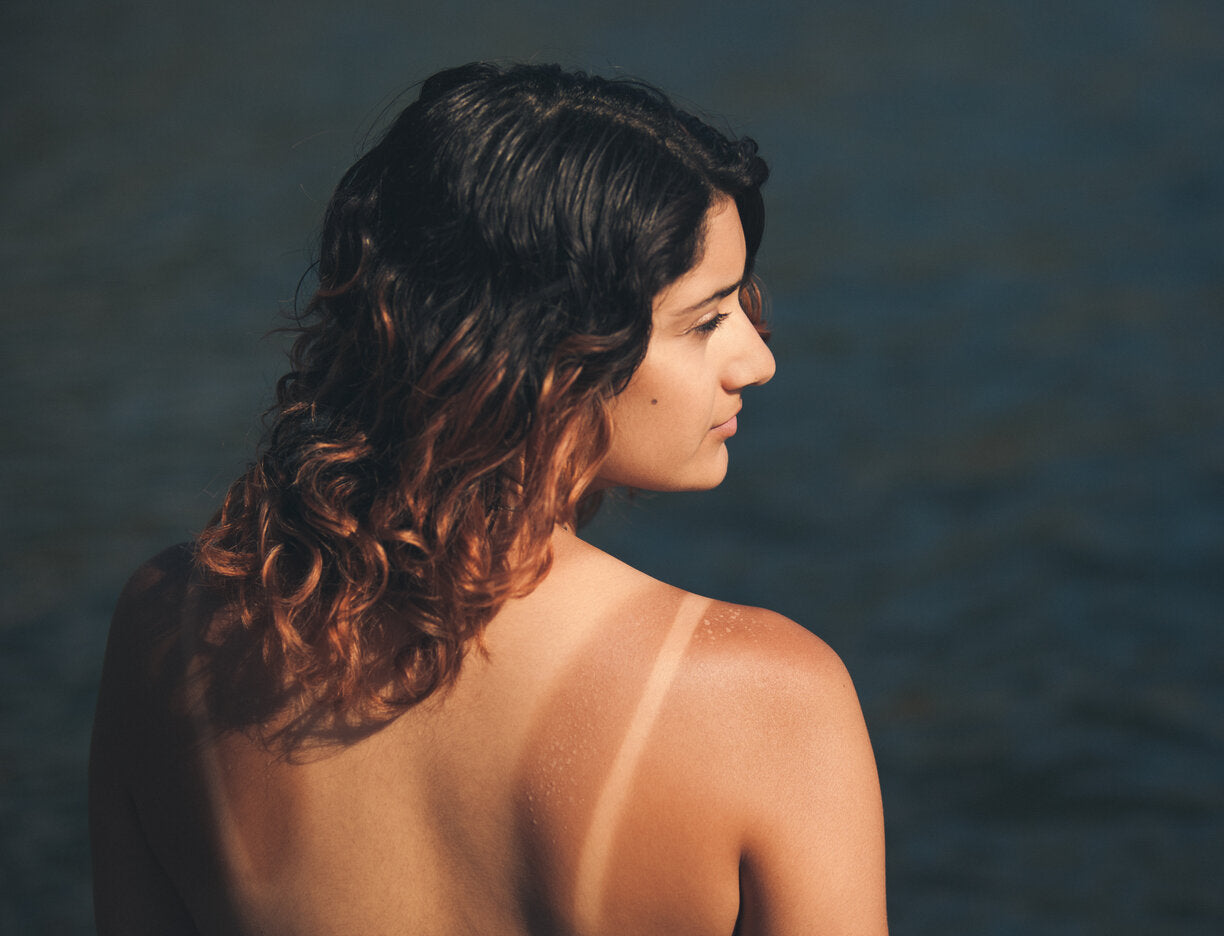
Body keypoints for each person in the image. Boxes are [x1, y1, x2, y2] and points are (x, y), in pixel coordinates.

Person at [89, 62, 887, 935]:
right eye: (704, 321)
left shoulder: (168, 624)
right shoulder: (765, 699)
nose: (756, 360)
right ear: (542, 350)